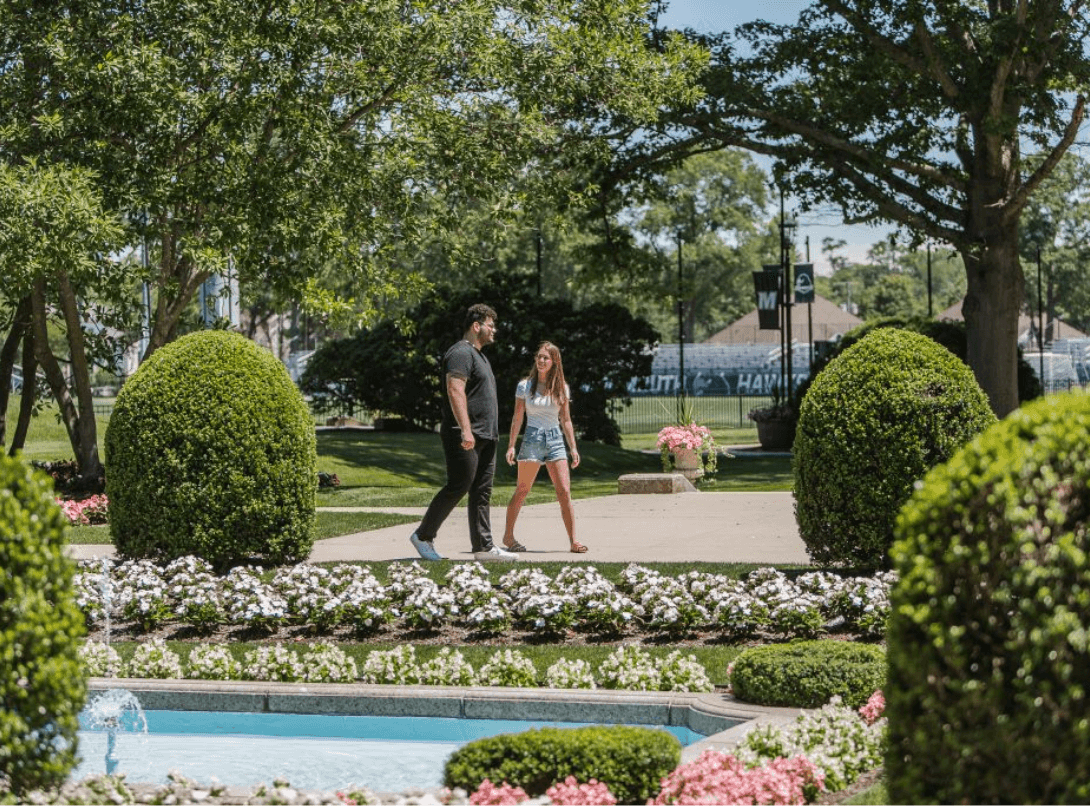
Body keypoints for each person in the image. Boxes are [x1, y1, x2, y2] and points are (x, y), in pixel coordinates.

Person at [409, 304, 517, 562]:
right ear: (476, 326)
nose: (494, 330)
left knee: (481, 491)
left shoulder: (480, 356)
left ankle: (483, 547)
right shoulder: (460, 353)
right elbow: (455, 389)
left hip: (486, 436)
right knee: (458, 485)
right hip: (465, 434)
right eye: (490, 325)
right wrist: (466, 431)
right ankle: (423, 536)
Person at [502, 341, 586, 553]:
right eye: (538, 356)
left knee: (564, 491)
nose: (540, 360)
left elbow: (566, 420)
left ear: (554, 362)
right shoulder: (525, 386)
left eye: (545, 358)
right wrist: (511, 445)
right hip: (532, 439)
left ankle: (574, 541)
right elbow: (517, 417)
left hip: (556, 440)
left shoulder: (562, 388)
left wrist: (573, 448)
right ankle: (508, 537)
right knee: (523, 490)